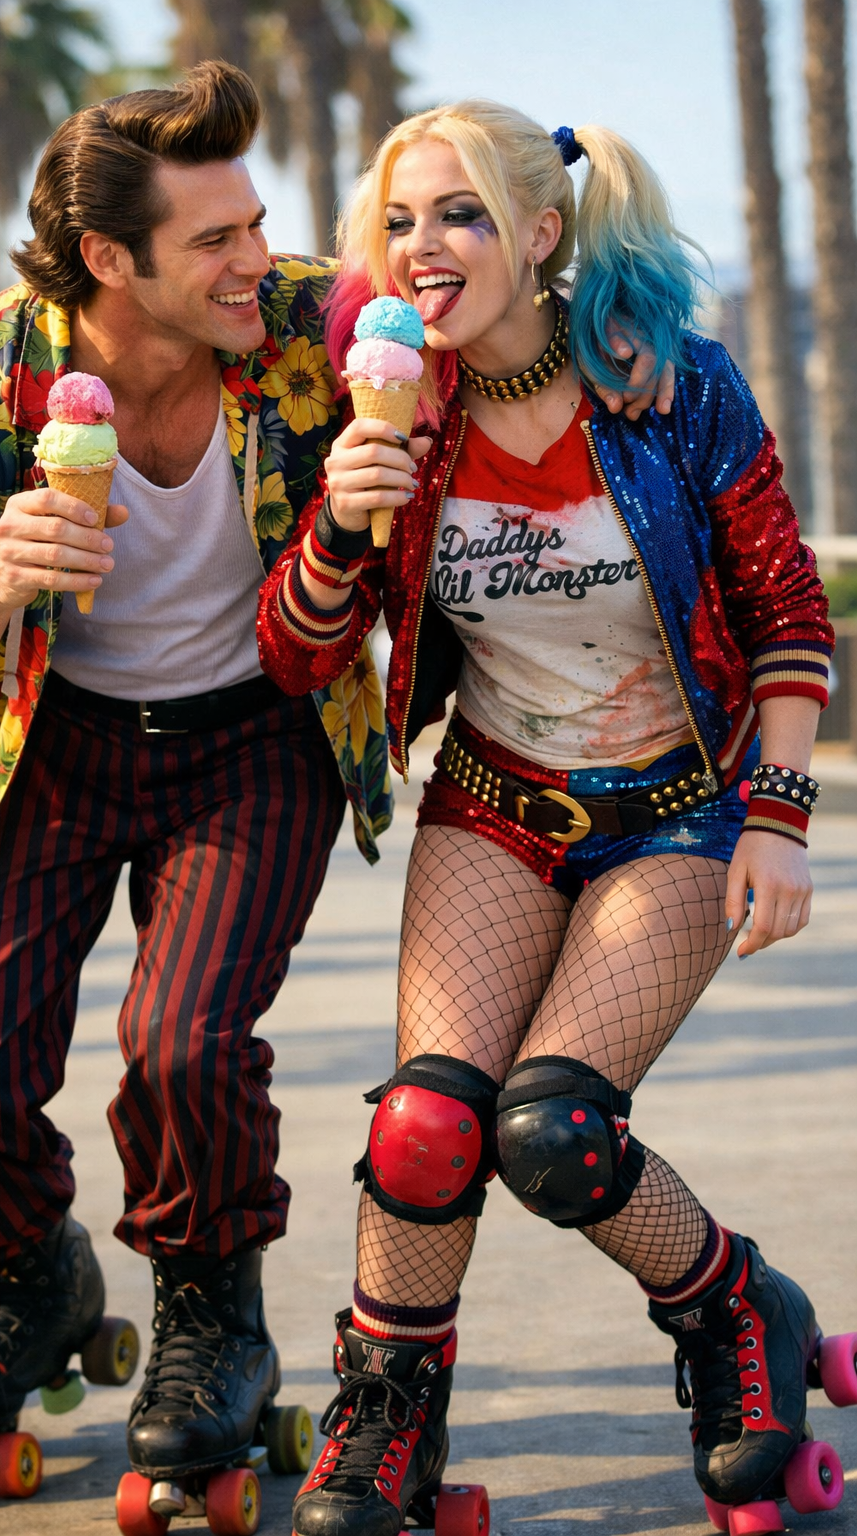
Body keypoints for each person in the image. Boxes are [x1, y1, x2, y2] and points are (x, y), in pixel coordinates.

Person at [258, 101, 840, 1536]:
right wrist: (339, 521)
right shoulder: (396, 410)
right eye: (400, 220)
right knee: (424, 1129)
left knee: (554, 1130)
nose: (425, 246)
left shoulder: (669, 386)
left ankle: (738, 1310)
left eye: (460, 213)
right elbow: (301, 655)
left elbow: (785, 608)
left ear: (538, 230)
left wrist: (778, 817)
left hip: (676, 812)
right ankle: (388, 1416)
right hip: (494, 804)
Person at [0, 61, 391, 1504]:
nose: (256, 257)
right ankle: (30, 1279)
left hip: (254, 735)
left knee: (185, 1048)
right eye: (215, 239)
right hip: (42, 742)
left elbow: (485, 316)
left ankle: (214, 1317)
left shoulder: (313, 328)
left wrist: (628, 347)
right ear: (108, 257)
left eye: (255, 223)